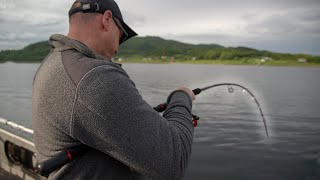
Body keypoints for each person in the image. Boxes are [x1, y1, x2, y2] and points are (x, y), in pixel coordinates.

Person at [32, 0, 195, 179]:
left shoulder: (53, 63)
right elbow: (173, 161)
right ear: (107, 19)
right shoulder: (94, 79)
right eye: (121, 36)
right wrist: (181, 98)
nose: (117, 48)